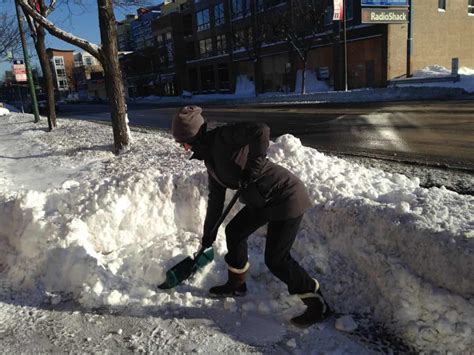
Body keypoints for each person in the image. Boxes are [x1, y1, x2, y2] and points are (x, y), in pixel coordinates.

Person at [171, 105, 331, 327]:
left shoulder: (223, 137)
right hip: (261, 200)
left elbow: (260, 130)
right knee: (234, 231)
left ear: (193, 136)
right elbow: (216, 201)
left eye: (182, 142)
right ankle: (237, 284)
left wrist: (251, 170)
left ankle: (317, 304)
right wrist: (209, 234)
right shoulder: (211, 161)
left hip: (285, 195)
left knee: (276, 260)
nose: (182, 147)